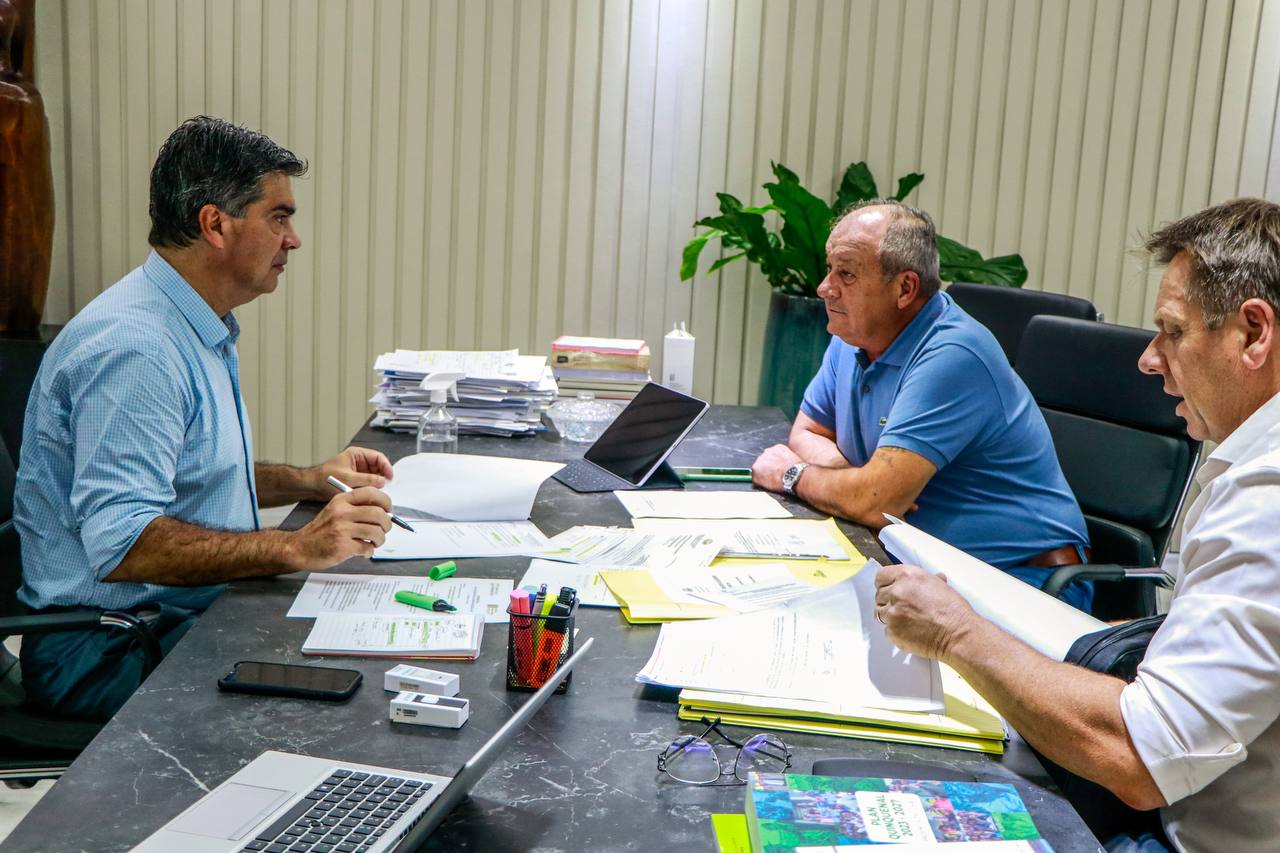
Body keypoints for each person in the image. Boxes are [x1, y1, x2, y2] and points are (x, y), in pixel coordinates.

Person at [875, 197, 1280, 852]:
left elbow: (1141, 757)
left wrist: (956, 630)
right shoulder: (1252, 459)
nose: (1151, 359)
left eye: (1173, 332)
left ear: (1253, 333)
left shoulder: (1268, 500)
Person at [14, 116, 398, 721]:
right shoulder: (136, 348)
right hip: (110, 647)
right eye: (278, 216)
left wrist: (307, 479)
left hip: (165, 618)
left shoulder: (191, 323)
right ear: (214, 223)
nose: (292, 239)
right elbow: (126, 544)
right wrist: (296, 546)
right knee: (355, 696)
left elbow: (193, 475)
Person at [751, 200, 1092, 609]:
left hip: (1021, 586)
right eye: (829, 269)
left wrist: (791, 473)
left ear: (905, 289)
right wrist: (859, 480)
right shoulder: (852, 335)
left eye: (846, 274)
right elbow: (808, 431)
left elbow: (875, 503)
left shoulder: (952, 353)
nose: (825, 287)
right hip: (922, 570)